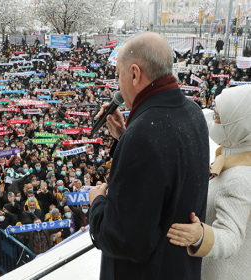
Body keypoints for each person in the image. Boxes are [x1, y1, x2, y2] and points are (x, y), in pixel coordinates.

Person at [88, 32, 210, 280]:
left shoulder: (143, 134)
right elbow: (165, 169)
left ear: (134, 73)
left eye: (119, 74)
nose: (118, 84)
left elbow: (124, 238)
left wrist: (97, 204)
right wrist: (125, 135)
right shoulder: (194, 112)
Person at [167, 87, 251, 280]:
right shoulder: (231, 156)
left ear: (240, 126)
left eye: (219, 117)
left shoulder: (240, 178)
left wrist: (200, 236)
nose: (213, 120)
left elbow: (231, 237)